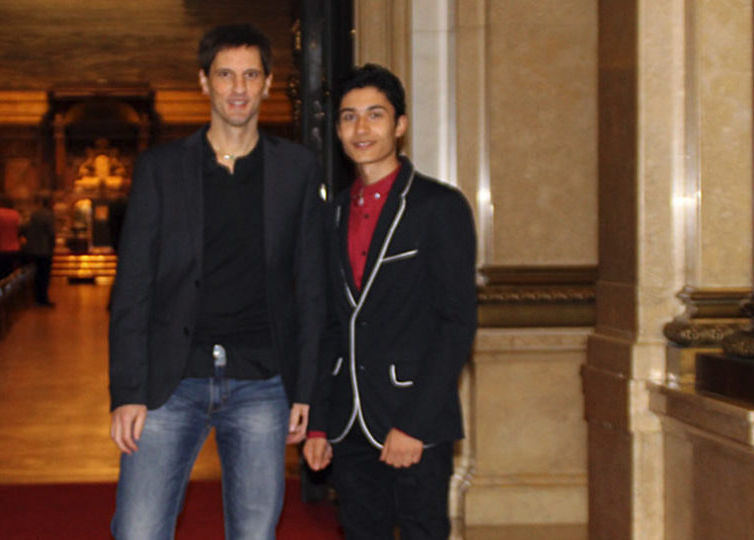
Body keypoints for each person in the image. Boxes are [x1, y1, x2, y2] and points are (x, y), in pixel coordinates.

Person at [107, 23, 328, 539]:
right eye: (226, 75)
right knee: (138, 531)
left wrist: (307, 389)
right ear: (204, 82)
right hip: (170, 382)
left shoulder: (297, 169)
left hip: (262, 383)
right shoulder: (162, 169)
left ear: (268, 83)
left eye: (251, 75)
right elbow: (133, 286)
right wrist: (127, 391)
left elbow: (312, 288)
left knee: (254, 533)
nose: (238, 88)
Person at [302, 64, 477, 540]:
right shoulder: (333, 213)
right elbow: (330, 326)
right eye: (349, 117)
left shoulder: (438, 207)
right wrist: (319, 423)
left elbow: (456, 323)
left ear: (400, 125)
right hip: (348, 422)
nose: (361, 128)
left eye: (374, 115)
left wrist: (414, 425)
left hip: (414, 416)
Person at [22, 191, 57, 307]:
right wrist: (53, 245)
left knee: (37, 275)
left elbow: (26, 229)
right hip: (44, 249)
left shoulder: (35, 214)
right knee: (44, 276)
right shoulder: (49, 215)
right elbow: (51, 233)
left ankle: (36, 298)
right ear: (50, 203)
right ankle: (43, 298)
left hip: (33, 249)